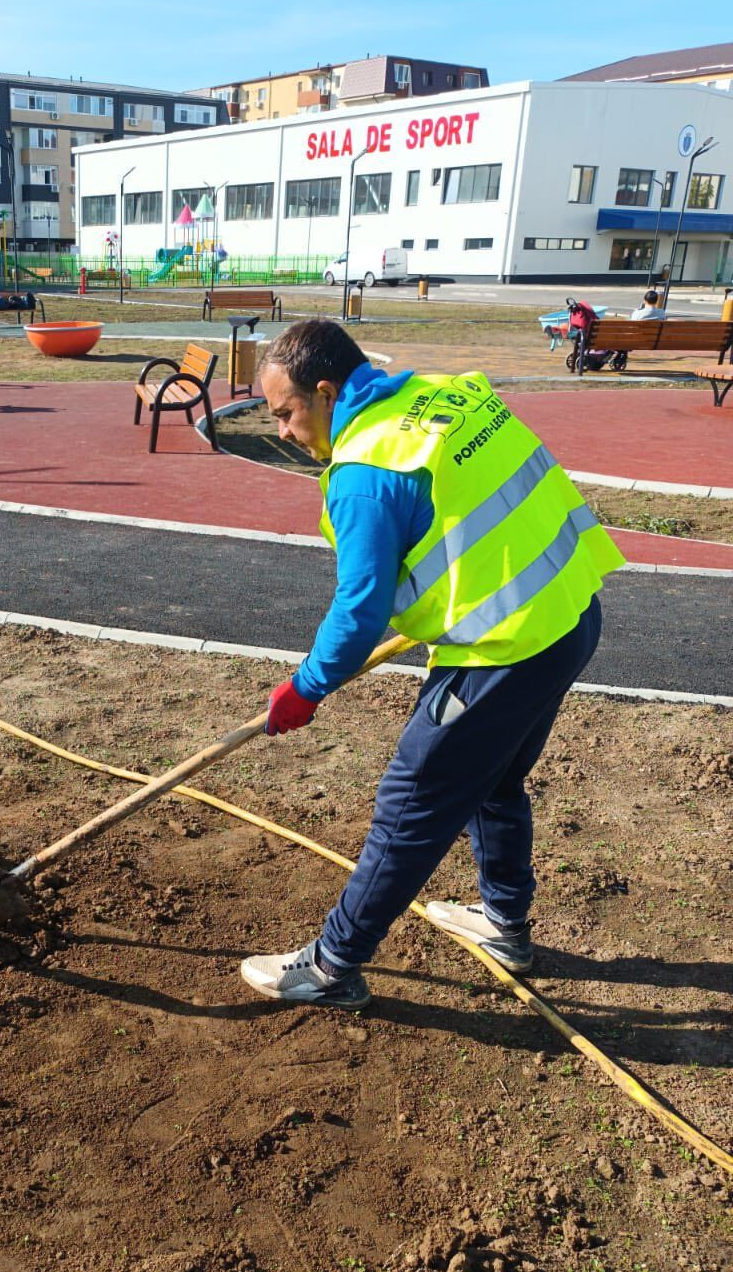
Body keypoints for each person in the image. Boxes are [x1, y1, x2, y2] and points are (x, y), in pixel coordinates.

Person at [240, 320, 624, 1010]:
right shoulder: (447, 395)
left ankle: (331, 967)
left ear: (326, 393)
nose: (286, 434)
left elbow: (360, 612)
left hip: (503, 650)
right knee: (495, 779)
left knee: (410, 804)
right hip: (570, 610)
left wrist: (307, 688)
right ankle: (504, 925)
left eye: (286, 414)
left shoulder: (366, 474)